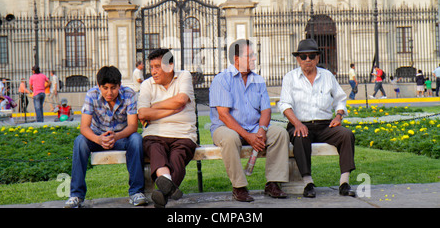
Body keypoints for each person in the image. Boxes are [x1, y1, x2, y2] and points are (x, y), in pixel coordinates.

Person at [209, 39, 289, 202]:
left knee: (280, 133)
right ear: (236, 59)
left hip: (254, 128)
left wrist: (261, 131)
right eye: (250, 55)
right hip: (225, 128)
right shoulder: (222, 79)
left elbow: (266, 110)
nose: (254, 58)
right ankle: (239, 188)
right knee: (230, 138)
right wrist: (247, 136)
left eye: (254, 55)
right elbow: (223, 115)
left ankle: (273, 184)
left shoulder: (258, 79)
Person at [278, 38, 356, 198]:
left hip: (325, 125)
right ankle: (308, 183)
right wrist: (297, 124)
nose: (308, 60)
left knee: (347, 135)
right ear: (298, 59)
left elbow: (340, 98)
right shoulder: (290, 78)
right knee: (300, 136)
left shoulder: (327, 76)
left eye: (312, 56)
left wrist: (339, 115)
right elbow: (285, 104)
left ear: (318, 58)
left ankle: (344, 183)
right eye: (304, 56)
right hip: (299, 123)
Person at [65, 66, 146, 208]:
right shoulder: (91, 95)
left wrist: (116, 136)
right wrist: (98, 139)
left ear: (119, 85)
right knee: (80, 141)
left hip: (121, 137)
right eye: (105, 88)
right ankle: (76, 195)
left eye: (113, 88)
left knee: (136, 139)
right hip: (97, 137)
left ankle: (136, 192)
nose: (109, 92)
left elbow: (133, 126)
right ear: (98, 86)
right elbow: (84, 127)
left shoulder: (129, 94)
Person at [137, 49, 197, 208]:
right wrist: (172, 110)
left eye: (157, 66)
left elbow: (182, 99)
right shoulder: (147, 85)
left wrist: (155, 107)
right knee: (156, 148)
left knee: (178, 155)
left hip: (183, 134)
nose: (153, 72)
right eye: (151, 67)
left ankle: (163, 192)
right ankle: (167, 190)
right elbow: (142, 113)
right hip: (156, 134)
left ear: (170, 66)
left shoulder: (184, 76)